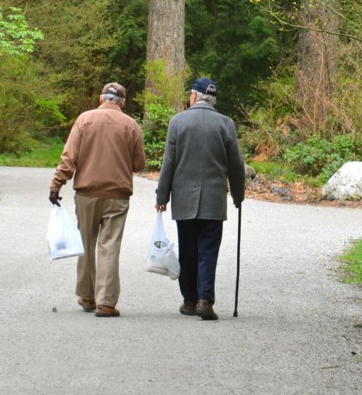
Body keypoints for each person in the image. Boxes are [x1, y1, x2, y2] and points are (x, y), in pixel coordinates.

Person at [49, 82, 146, 318]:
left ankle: (87, 296)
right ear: (122, 102)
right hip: (117, 196)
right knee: (109, 246)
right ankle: (106, 302)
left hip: (86, 195)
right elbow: (139, 165)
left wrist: (56, 184)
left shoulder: (84, 120)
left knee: (86, 243)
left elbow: (69, 158)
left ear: (102, 99)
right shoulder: (131, 125)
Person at [155, 77, 245, 321]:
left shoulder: (178, 122)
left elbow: (169, 163)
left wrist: (162, 196)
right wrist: (239, 194)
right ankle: (205, 300)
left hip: (183, 199)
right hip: (214, 200)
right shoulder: (226, 123)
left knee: (188, 249)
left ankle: (189, 300)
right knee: (208, 251)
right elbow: (236, 165)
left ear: (194, 96)